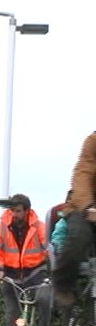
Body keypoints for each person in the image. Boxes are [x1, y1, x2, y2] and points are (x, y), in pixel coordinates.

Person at [0, 193, 51, 326]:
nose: (14, 214)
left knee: (44, 298)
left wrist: (54, 263)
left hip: (35, 272)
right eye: (12, 210)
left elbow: (49, 247)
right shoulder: (1, 227)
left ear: (27, 211)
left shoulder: (39, 227)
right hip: (10, 275)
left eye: (18, 211)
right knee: (12, 317)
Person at [53, 133, 96, 313]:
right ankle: (62, 283)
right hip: (83, 206)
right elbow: (83, 175)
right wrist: (88, 207)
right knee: (80, 235)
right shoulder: (93, 142)